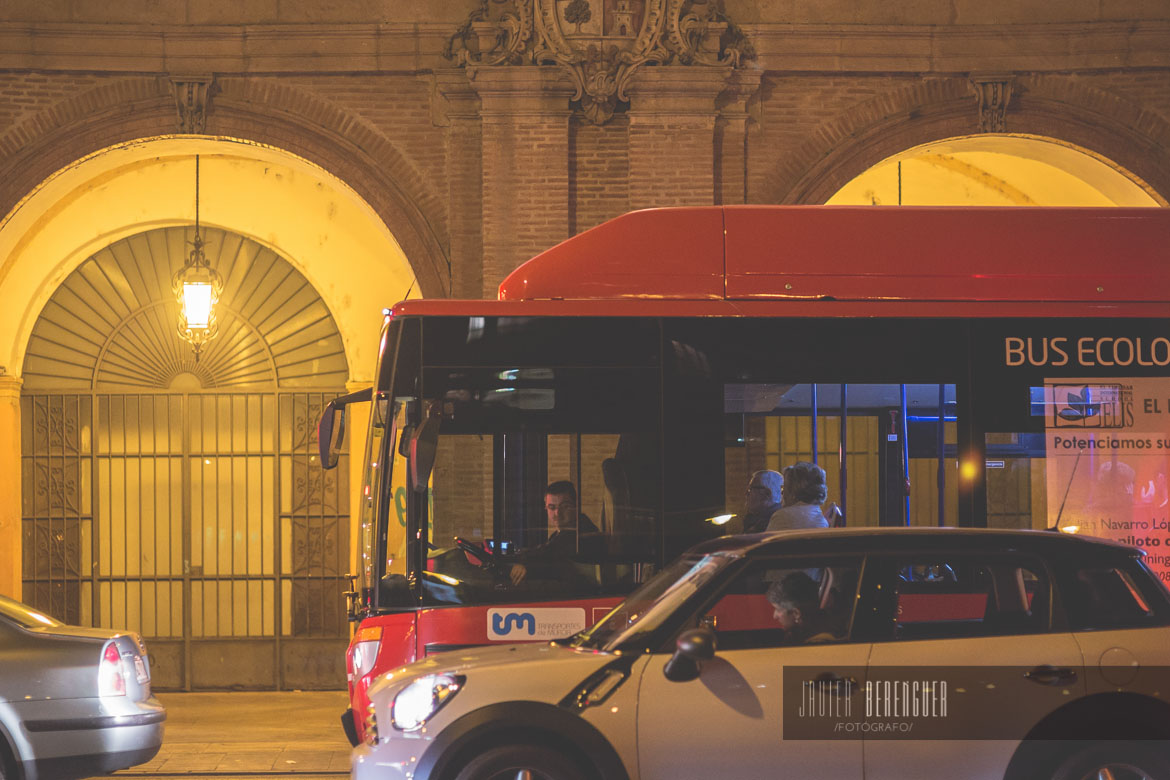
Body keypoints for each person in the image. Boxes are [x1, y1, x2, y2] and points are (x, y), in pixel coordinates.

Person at [510, 481, 602, 585]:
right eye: (552, 507)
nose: (557, 513)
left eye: (565, 506)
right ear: (546, 508)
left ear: (576, 506)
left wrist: (524, 563)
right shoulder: (559, 534)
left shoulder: (581, 532)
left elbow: (547, 553)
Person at [766, 571, 836, 644]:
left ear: (796, 613)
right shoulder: (800, 634)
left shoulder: (818, 643)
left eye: (778, 610)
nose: (774, 616)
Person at [766, 461, 830, 531]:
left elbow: (765, 541)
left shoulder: (782, 516)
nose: (782, 492)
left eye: (785, 487)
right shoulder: (820, 518)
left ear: (793, 491)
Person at [725, 470, 784, 535]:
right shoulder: (754, 518)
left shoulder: (773, 522)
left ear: (767, 493)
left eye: (750, 489)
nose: (746, 493)